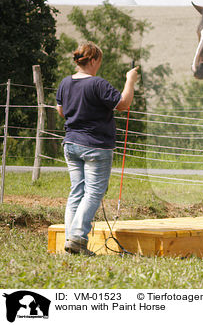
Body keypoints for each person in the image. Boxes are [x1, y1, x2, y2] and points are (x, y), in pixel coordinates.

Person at [56, 41, 138, 255]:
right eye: (99, 61)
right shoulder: (98, 84)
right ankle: (77, 238)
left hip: (71, 143)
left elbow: (61, 110)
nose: (99, 66)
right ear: (92, 60)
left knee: (77, 191)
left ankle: (70, 239)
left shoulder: (65, 83)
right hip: (96, 147)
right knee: (93, 193)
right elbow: (123, 103)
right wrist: (130, 80)